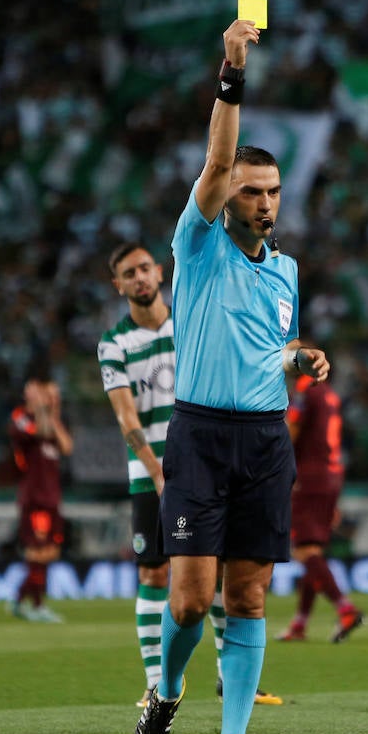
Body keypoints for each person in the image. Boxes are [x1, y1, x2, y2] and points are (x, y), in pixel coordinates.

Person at [134, 18, 329, 734]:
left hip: (264, 440)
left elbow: (264, 345)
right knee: (188, 602)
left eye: (273, 191)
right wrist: (232, 72)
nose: (264, 203)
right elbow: (217, 159)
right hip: (199, 435)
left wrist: (298, 354)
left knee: (246, 600)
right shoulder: (198, 242)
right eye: (252, 192)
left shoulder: (284, 270)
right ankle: (166, 693)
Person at [99, 242, 283, 708]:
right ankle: (155, 681)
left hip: (206, 464)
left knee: (221, 567)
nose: (139, 277)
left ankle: (229, 675)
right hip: (151, 476)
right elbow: (127, 420)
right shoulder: (114, 344)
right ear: (118, 285)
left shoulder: (194, 323)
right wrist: (156, 470)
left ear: (159, 272)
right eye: (128, 273)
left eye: (144, 268)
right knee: (156, 574)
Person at [277, 371, 364, 643]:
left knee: (304, 551)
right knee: (313, 553)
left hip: (309, 477)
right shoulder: (328, 393)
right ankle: (300, 623)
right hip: (331, 475)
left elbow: (293, 428)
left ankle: (346, 609)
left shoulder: (305, 390)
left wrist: (273, 459)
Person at [8, 371, 74, 622]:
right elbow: (39, 432)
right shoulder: (21, 417)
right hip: (34, 496)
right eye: (36, 391)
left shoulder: (51, 422)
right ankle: (35, 604)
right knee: (38, 551)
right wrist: (46, 407)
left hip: (51, 497)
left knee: (50, 552)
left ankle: (20, 599)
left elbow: (67, 446)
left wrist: (53, 411)